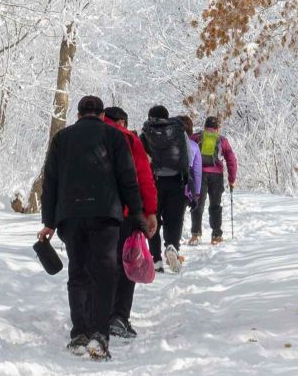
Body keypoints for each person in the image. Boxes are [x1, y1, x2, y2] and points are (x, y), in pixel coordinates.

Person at [38, 94, 144, 359]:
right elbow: (128, 179)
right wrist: (138, 215)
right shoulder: (115, 137)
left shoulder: (62, 139)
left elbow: (50, 182)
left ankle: (79, 334)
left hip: (70, 216)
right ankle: (99, 334)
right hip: (106, 215)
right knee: (105, 273)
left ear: (78, 115)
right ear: (100, 114)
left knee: (78, 273)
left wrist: (48, 222)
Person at [100, 107, 158, 340]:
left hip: (92, 212)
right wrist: (150, 211)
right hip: (124, 212)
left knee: (99, 265)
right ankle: (119, 317)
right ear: (122, 121)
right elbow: (144, 177)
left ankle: (97, 315)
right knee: (126, 265)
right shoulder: (129, 139)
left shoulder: (89, 136)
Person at [140, 105, 196, 265]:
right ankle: (172, 246)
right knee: (175, 219)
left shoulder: (145, 132)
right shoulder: (179, 130)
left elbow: (141, 160)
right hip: (176, 181)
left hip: (154, 182)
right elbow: (188, 157)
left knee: (153, 219)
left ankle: (155, 258)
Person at [197, 114, 238, 244]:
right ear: (217, 129)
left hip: (200, 174)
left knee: (198, 204)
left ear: (205, 127)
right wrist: (232, 179)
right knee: (215, 205)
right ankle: (216, 235)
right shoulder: (222, 140)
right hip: (216, 175)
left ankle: (196, 233)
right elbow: (231, 160)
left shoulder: (196, 137)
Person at [178, 114, 204, 241]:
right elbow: (197, 171)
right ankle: (173, 245)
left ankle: (159, 250)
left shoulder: (165, 143)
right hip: (184, 184)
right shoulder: (193, 145)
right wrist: (197, 192)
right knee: (179, 216)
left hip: (163, 182)